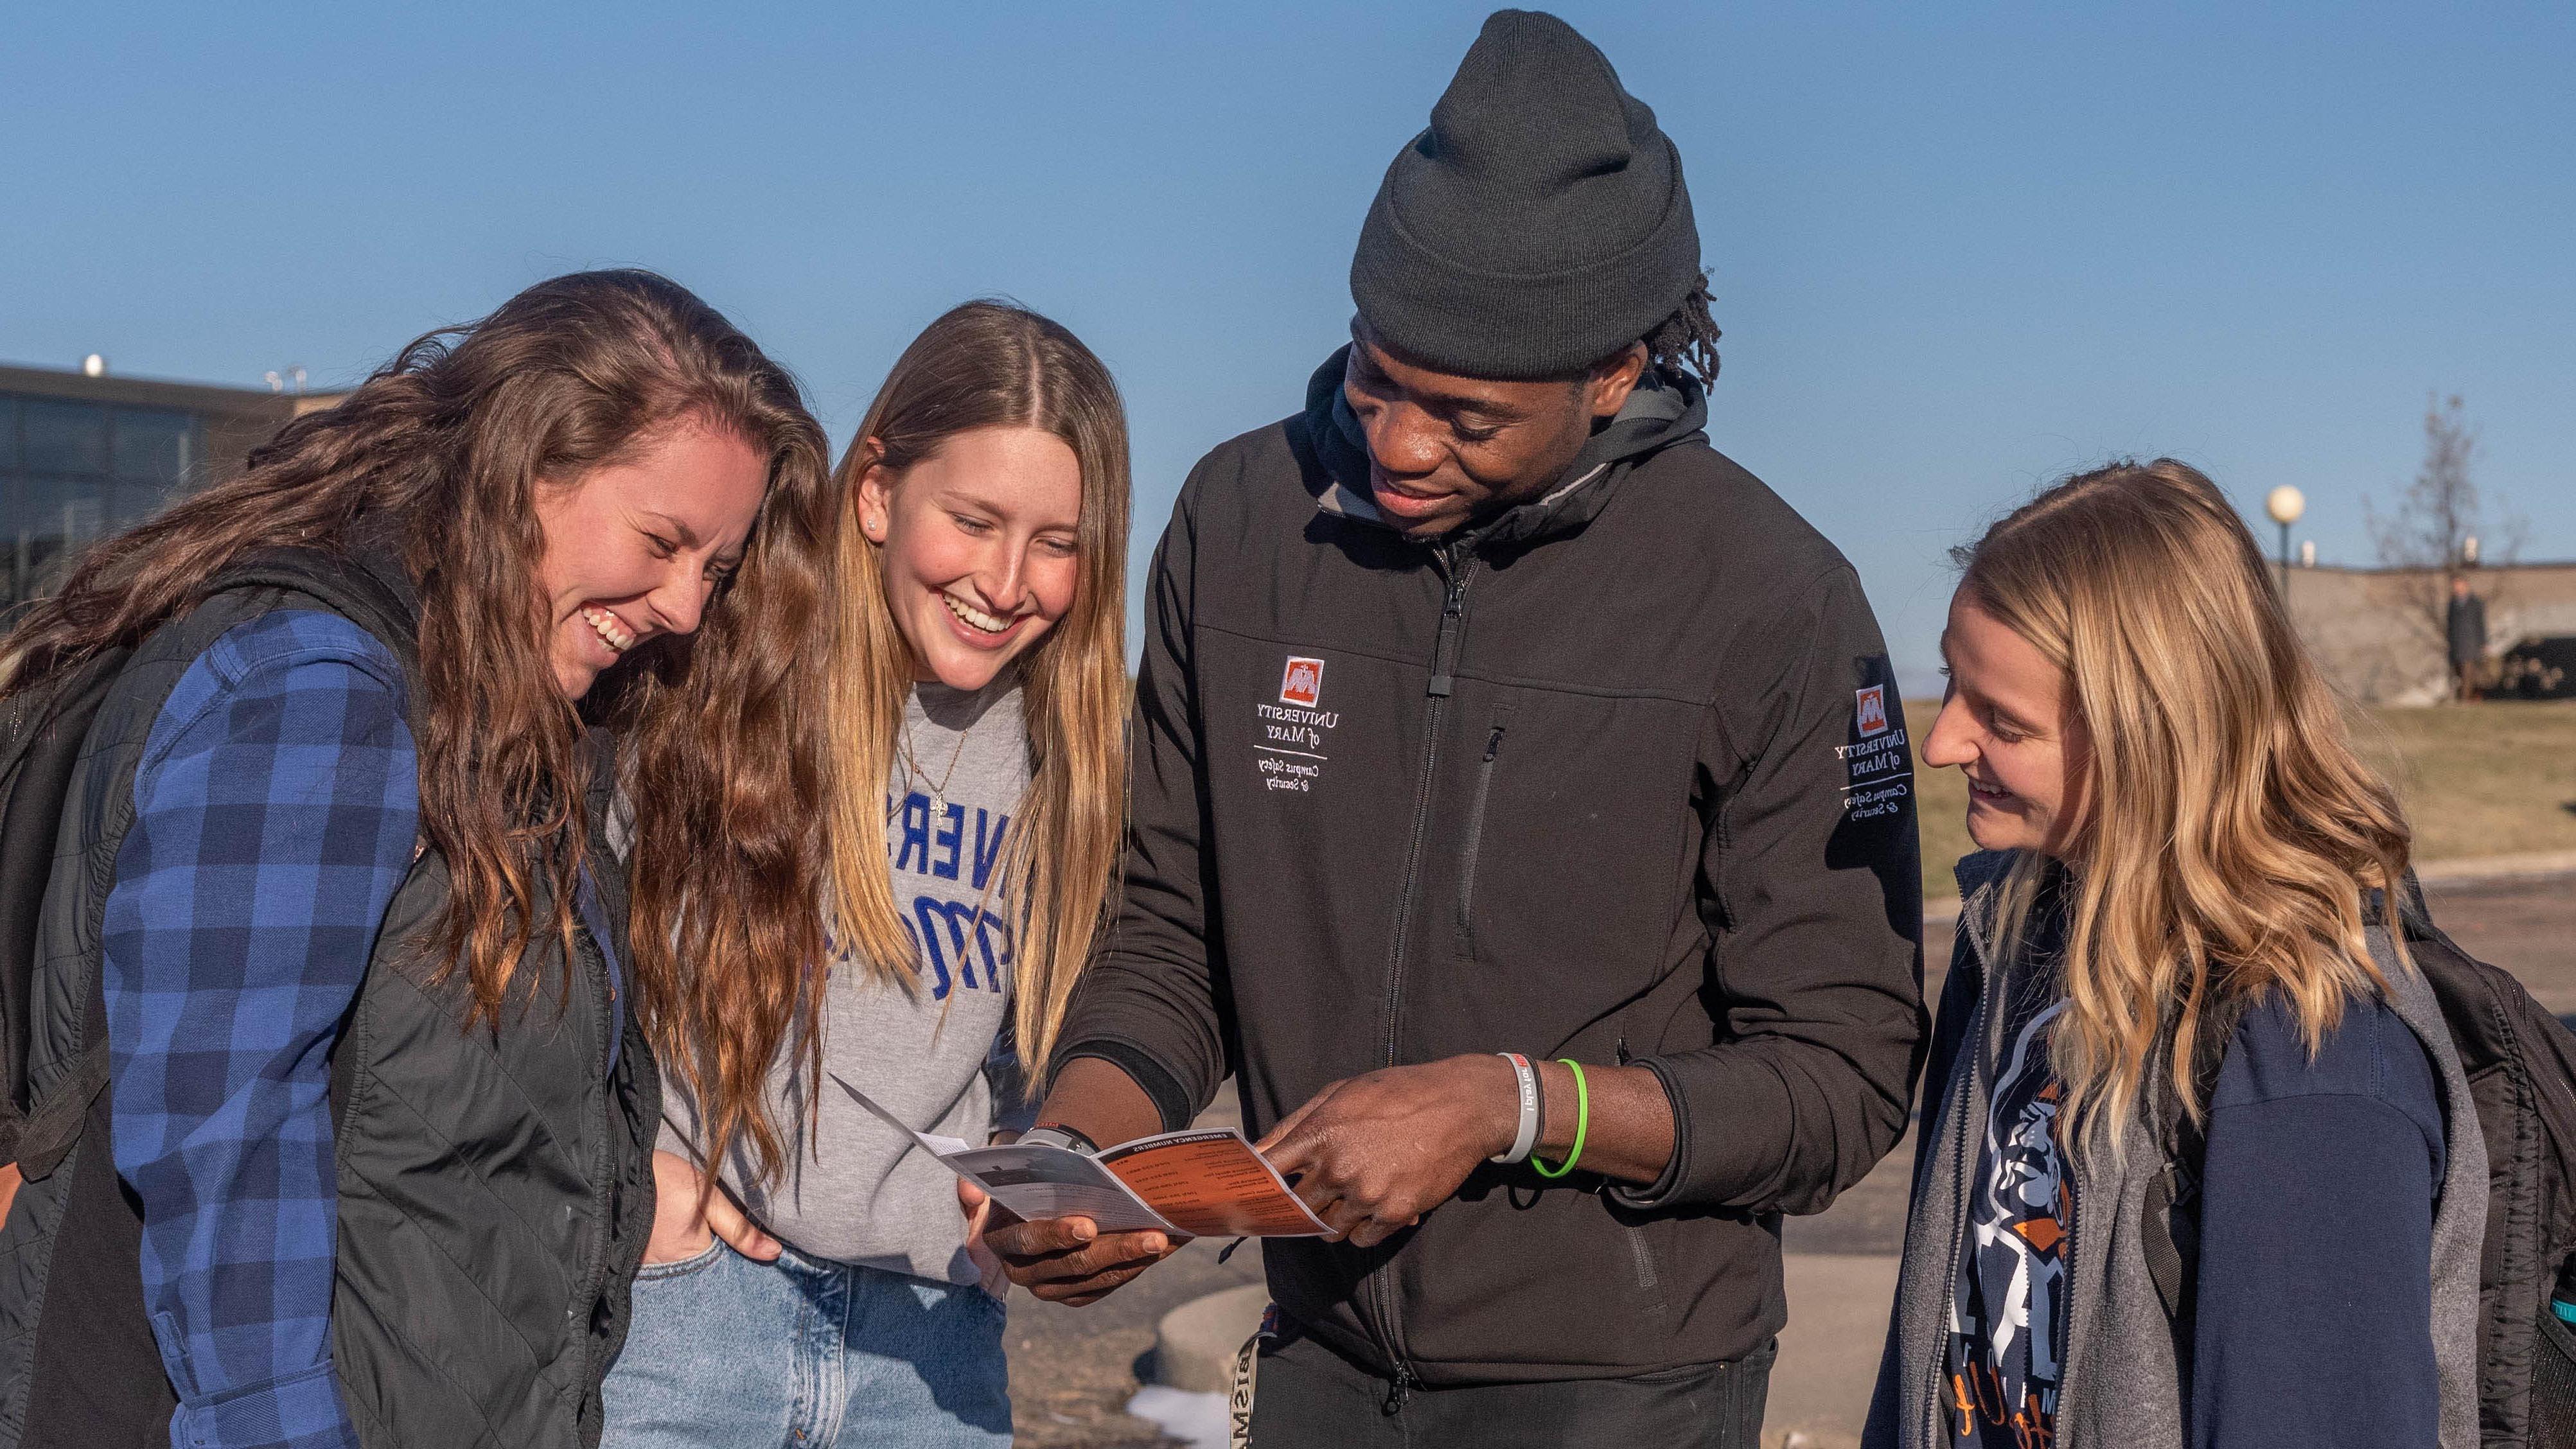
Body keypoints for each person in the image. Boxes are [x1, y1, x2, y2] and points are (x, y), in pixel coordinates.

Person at [987, 12, 1925, 1446]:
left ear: (1616, 372)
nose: (1401, 444)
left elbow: (1841, 1080)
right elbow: (1169, 932)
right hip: (1312, 1356)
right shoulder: (1239, 524)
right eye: (1376, 377)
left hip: (1625, 1391)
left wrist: (1511, 1105)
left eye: (1467, 415)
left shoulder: (1772, 599)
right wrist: (1085, 1147)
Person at [0, 269, 840, 1449]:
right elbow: (223, 1156)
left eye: (716, 568)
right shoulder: (321, 694)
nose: (687, 609)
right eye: (662, 542)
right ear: (527, 465)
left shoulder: (495, 715)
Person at [1864, 460, 2486, 1449]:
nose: (1940, 743)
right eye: (1951, 681)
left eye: (2002, 720)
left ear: (2147, 738)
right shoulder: (2018, 947)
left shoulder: (2310, 1061)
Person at [604, 301, 1131, 1449]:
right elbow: (569, 921)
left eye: (1058, 543)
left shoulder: (1081, 760)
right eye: (976, 520)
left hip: (932, 1344)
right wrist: (623, 1166)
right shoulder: (735, 668)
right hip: (691, 1309)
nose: (1006, 579)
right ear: (879, 493)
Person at [2448, 573, 2487, 701]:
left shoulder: (2475, 603)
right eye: (2455, 585)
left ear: (2465, 586)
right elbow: (2450, 624)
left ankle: (2464, 701)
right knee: (2458, 674)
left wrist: (2483, 643)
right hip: (2456, 645)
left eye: (2458, 585)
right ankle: (2464, 698)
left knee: (2468, 674)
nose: (2456, 588)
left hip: (2471, 644)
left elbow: (2480, 624)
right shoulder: (2452, 604)